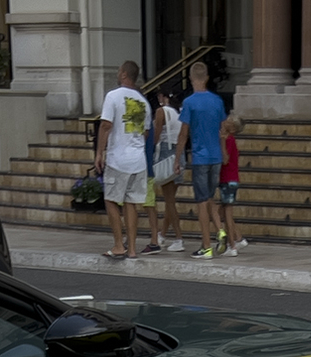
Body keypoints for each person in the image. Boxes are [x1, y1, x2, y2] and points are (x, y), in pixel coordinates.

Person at [95, 59, 150, 261]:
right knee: (131, 203)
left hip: (119, 158)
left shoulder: (113, 96)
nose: (118, 74)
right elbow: (145, 132)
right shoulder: (143, 102)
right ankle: (133, 248)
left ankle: (119, 245)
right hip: (138, 159)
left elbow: (106, 125)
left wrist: (100, 152)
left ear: (124, 74)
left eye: (119, 71)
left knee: (110, 199)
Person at [182, 62, 229, 258]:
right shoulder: (217, 101)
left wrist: (178, 157)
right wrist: (224, 152)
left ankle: (206, 245)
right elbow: (223, 129)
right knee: (210, 197)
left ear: (191, 78)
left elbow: (183, 134)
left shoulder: (189, 103)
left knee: (201, 201)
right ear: (207, 78)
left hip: (200, 156)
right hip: (216, 155)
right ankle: (220, 229)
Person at [147, 90, 183, 251]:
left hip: (167, 155)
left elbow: (156, 136)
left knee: (169, 201)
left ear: (162, 97)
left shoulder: (161, 111)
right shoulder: (177, 112)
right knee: (170, 201)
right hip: (179, 155)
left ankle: (178, 238)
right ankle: (163, 234)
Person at [219, 120, 246, 251]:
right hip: (230, 179)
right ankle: (237, 238)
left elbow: (225, 159)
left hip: (228, 179)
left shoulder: (229, 140)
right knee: (223, 211)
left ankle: (232, 244)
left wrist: (222, 142)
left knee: (227, 213)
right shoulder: (230, 139)